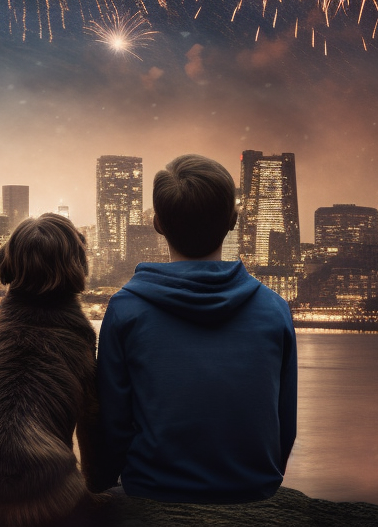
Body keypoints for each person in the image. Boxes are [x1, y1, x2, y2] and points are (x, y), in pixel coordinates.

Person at [90, 153, 297, 503]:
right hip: (254, 488)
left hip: (152, 489)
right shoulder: (275, 309)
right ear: (233, 221)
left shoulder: (126, 309)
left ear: (157, 224)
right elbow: (283, 422)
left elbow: (113, 425)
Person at [0, 214, 106, 526]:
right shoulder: (79, 339)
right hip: (47, 497)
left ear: (6, 266)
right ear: (79, 265)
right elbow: (91, 423)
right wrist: (97, 490)